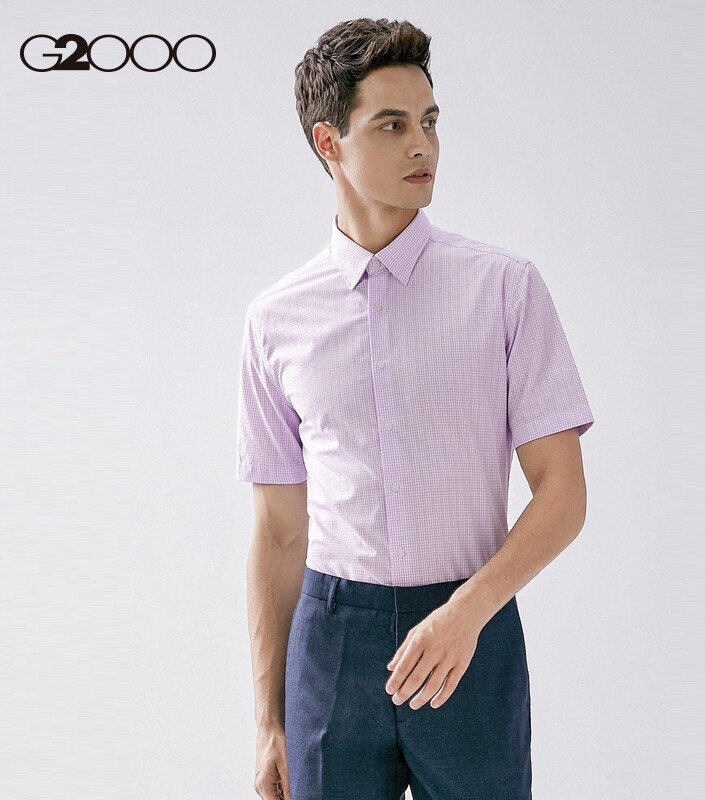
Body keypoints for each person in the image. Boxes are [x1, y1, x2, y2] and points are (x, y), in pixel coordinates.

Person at [235, 17, 595, 800]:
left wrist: (469, 612)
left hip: (473, 630)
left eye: (429, 121)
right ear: (329, 143)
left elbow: (563, 495)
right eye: (392, 125)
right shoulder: (275, 320)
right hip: (332, 645)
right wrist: (268, 720)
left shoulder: (504, 289)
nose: (422, 145)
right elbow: (279, 533)